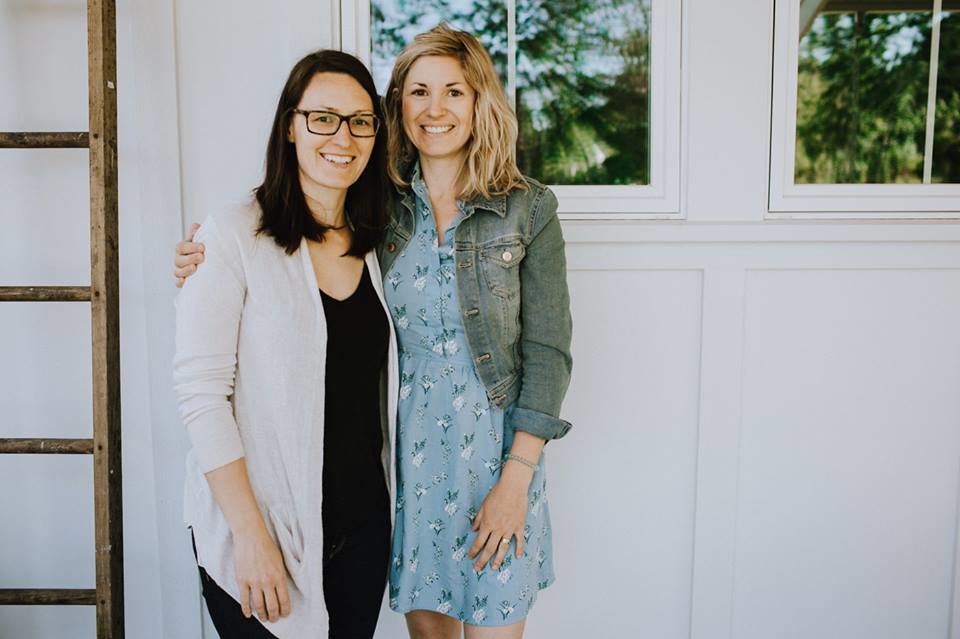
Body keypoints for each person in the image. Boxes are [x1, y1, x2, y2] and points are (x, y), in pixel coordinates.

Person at [175, 24, 573, 639]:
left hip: (498, 466)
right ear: (398, 107)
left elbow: (548, 352)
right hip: (411, 470)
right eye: (418, 92)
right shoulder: (381, 209)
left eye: (454, 92)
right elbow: (235, 342)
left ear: (480, 101)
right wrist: (198, 258)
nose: (435, 110)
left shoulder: (524, 209)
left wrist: (516, 480)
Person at [173, 49, 397, 639]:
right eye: (323, 117)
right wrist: (249, 534)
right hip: (261, 530)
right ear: (291, 126)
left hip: (364, 531)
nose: (342, 137)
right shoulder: (233, 233)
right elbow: (201, 394)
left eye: (361, 120)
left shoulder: (385, 241)